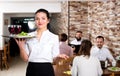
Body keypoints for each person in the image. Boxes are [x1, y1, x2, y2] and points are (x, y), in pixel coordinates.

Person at [15, 8, 68, 76]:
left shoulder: (54, 37)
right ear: (35, 20)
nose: (40, 21)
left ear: (48, 20)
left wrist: (58, 57)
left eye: (43, 18)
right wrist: (21, 47)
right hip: (31, 69)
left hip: (47, 69)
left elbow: (54, 60)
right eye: (37, 19)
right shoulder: (28, 36)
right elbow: (25, 59)